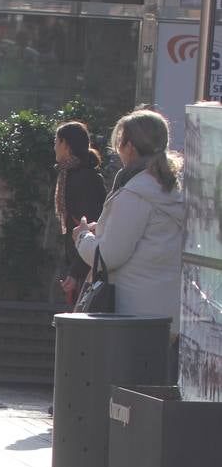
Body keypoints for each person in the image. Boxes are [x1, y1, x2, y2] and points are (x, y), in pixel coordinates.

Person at [74, 108, 186, 358]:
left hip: (131, 315)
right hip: (168, 314)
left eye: (119, 142)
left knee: (121, 391)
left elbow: (109, 256)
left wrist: (83, 237)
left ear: (130, 146)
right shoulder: (174, 189)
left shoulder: (135, 193)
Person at [53, 121, 106, 306]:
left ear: (66, 145)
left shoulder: (81, 179)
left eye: (56, 142)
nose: (54, 148)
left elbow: (88, 225)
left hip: (87, 268)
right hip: (81, 262)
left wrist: (76, 272)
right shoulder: (71, 174)